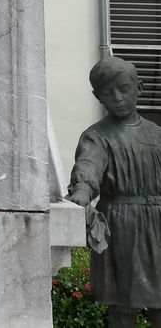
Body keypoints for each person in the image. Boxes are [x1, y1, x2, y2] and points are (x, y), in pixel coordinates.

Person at [67, 56, 161, 328]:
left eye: (124, 88)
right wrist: (81, 192)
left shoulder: (157, 134)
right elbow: (88, 166)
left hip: (157, 222)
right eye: (109, 93)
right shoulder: (97, 136)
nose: (118, 97)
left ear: (139, 87)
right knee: (122, 306)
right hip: (123, 224)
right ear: (98, 97)